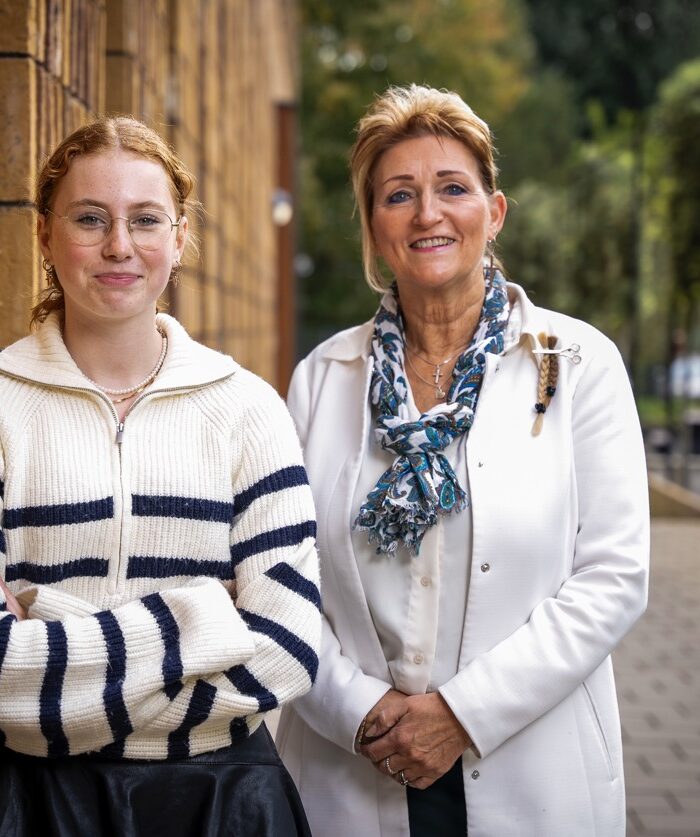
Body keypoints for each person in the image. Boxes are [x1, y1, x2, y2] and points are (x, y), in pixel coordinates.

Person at [276, 84, 649, 836]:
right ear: (374, 226)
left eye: (453, 188)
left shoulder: (578, 364)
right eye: (398, 194)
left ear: (494, 210)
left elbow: (613, 577)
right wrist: (360, 711)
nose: (428, 213)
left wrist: (460, 714)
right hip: (351, 765)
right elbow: (281, 580)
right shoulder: (322, 377)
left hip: (531, 765)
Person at [0, 116, 320, 836]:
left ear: (178, 238)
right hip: (33, 801)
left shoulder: (248, 410)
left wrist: (51, 631)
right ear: (46, 237)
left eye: (145, 220)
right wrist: (206, 620)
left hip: (222, 800)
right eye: (90, 218)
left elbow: (287, 651)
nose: (119, 245)